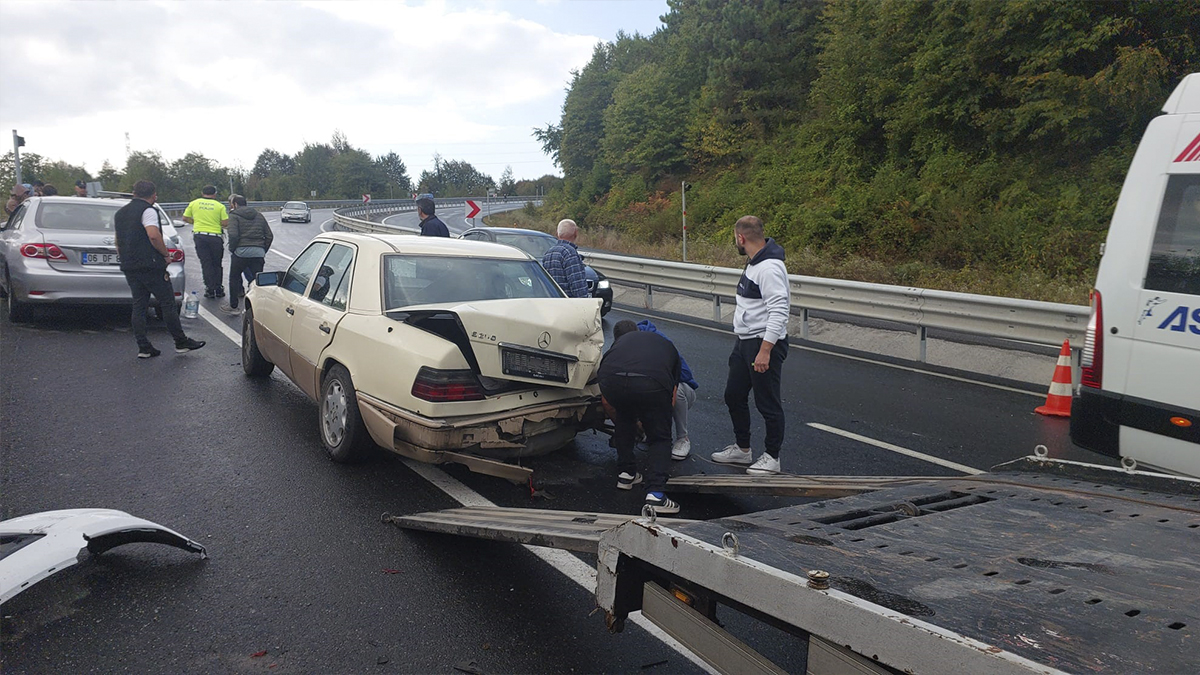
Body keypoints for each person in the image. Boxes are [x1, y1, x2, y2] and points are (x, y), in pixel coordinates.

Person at [710, 215, 791, 475]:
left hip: (762, 343)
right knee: (733, 395)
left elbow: (779, 311)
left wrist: (765, 350)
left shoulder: (769, 268)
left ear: (741, 238)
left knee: (767, 402)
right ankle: (743, 450)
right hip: (744, 341)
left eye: (735, 238)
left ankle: (772, 457)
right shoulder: (754, 262)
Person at [598, 319, 683, 514]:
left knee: (625, 419)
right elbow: (672, 394)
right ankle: (656, 494)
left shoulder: (618, 345)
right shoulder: (663, 344)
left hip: (611, 380)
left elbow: (606, 399)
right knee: (660, 437)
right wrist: (657, 421)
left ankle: (626, 474)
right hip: (652, 381)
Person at [114, 180, 205, 358]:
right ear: (153, 195)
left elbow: (118, 241)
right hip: (150, 264)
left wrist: (125, 257)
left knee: (139, 304)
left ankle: (143, 347)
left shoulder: (120, 213)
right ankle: (180, 341)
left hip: (129, 265)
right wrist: (165, 255)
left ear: (134, 193)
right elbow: (153, 235)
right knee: (167, 303)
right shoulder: (148, 210)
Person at [636, 319, 699, 460]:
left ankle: (683, 439)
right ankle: (650, 429)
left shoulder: (660, 344)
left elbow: (677, 379)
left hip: (680, 387)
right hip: (654, 388)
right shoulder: (634, 343)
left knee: (676, 390)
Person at [222, 194, 274, 314]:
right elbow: (269, 236)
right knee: (257, 281)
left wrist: (233, 249)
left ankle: (234, 306)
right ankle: (258, 308)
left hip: (240, 252)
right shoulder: (259, 216)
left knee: (234, 277)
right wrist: (262, 250)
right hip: (258, 253)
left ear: (235, 204)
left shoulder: (234, 216)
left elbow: (234, 235)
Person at [182, 185, 229, 298]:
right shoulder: (219, 206)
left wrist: (196, 222)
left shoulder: (194, 203)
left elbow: (185, 218)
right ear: (215, 194)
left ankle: (209, 288)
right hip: (215, 237)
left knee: (206, 263)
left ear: (202, 193)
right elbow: (225, 222)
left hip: (200, 236)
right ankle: (218, 288)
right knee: (216, 264)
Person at [541, 219, 589, 298]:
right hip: (568, 304)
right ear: (576, 233)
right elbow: (578, 285)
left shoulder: (548, 253)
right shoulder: (570, 253)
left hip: (553, 301)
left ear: (557, 234)